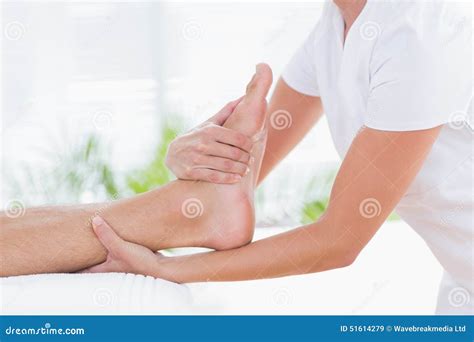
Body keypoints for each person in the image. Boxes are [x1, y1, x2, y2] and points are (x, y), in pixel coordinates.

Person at [85, 0, 473, 315]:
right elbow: (238, 177)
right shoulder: (335, 25)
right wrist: (195, 155)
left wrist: (168, 269)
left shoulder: (418, 31)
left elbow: (339, 240)